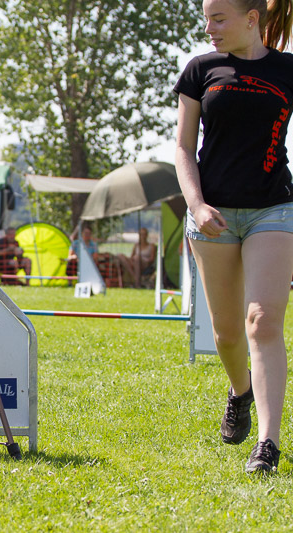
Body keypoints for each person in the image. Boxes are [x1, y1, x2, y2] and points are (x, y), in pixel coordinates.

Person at [175, 0, 293, 474]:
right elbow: (183, 147)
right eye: (206, 18)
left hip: (274, 209)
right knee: (226, 336)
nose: (209, 27)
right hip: (213, 215)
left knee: (261, 322)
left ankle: (267, 444)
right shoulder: (200, 70)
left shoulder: (287, 70)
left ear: (252, 18)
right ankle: (240, 390)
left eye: (218, 18)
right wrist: (196, 205)